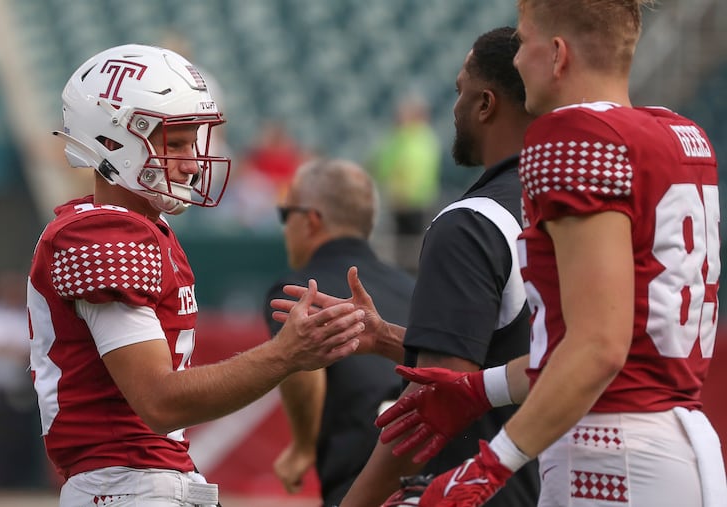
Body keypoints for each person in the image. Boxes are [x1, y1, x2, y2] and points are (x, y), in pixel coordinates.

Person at [376, 2, 727, 506]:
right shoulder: (678, 135)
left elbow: (597, 350)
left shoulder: (573, 138)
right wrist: (479, 390)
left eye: (524, 42)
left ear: (557, 54)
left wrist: (487, 467)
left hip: (609, 458)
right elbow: (602, 349)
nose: (517, 61)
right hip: (678, 448)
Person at [27, 43, 366, 507]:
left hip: (145, 481)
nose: (192, 161)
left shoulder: (145, 229)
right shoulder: (102, 233)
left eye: (195, 142)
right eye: (178, 142)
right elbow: (160, 402)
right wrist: (285, 355)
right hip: (124, 484)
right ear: (113, 139)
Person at [271, 27, 539, 506]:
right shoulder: (574, 205)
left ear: (485, 103)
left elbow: (432, 410)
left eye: (459, 92)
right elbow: (535, 358)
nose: (453, 109)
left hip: (484, 491)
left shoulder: (469, 225)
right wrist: (393, 338)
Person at [263, 158, 415, 507]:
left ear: (311, 221)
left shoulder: (299, 290)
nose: (285, 228)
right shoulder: (414, 287)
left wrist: (302, 448)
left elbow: (302, 365)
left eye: (287, 216)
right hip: (429, 471)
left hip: (360, 476)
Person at [0, 270, 47, 488]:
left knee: (19, 437)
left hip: (20, 389)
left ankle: (18, 483)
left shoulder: (28, 315)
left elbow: (35, 351)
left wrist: (7, 351)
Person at [369, 92, 442, 272]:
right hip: (410, 201)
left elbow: (388, 166)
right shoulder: (419, 138)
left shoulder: (411, 138)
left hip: (409, 201)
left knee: (407, 247)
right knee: (407, 247)